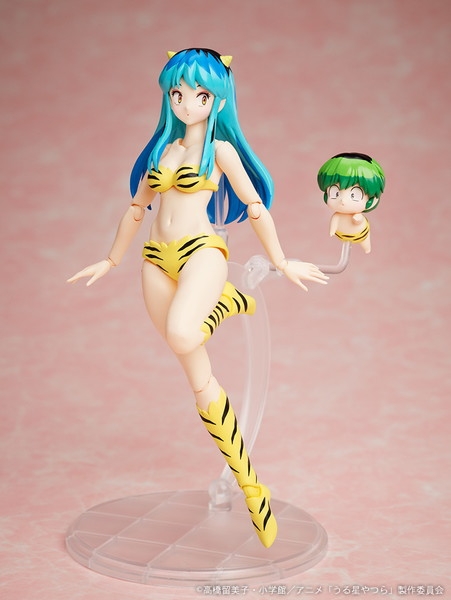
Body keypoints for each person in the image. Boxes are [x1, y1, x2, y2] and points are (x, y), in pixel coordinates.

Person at [68, 48, 328, 547]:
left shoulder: (220, 152)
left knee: (185, 333)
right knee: (195, 372)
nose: (187, 104)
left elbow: (254, 206)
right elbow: (137, 208)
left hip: (201, 252)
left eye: (200, 95)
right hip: (155, 260)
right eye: (178, 93)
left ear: (219, 101)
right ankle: (252, 487)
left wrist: (280, 260)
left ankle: (225, 301)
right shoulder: (161, 151)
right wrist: (111, 259)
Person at [317, 152, 385, 253]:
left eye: (354, 195)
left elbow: (359, 221)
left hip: (360, 234)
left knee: (365, 243)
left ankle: (367, 248)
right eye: (335, 192)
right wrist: (332, 230)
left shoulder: (358, 215)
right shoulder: (337, 215)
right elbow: (335, 221)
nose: (343, 200)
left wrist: (357, 220)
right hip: (342, 235)